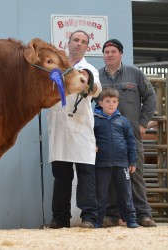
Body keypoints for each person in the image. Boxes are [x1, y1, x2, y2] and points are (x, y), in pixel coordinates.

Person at [44, 30, 102, 229]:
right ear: (68, 43)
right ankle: (59, 218)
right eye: (76, 40)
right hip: (59, 127)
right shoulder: (56, 68)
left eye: (83, 42)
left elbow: (96, 90)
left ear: (87, 47)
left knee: (86, 173)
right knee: (61, 175)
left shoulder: (89, 69)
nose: (79, 44)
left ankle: (89, 217)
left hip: (80, 127)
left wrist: (88, 83)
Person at [97, 39, 157, 227]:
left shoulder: (135, 73)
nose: (110, 54)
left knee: (135, 174)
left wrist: (143, 123)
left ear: (121, 54)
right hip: (106, 138)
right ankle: (112, 215)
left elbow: (150, 96)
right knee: (111, 176)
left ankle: (143, 214)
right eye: (106, 52)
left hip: (131, 135)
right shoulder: (97, 76)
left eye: (113, 51)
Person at [94, 87, 139, 228]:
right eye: (107, 101)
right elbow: (89, 138)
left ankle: (130, 220)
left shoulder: (124, 121)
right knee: (100, 194)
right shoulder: (94, 120)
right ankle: (97, 221)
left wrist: (132, 161)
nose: (111, 104)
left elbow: (131, 142)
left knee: (125, 193)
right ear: (101, 103)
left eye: (114, 101)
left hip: (122, 164)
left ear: (118, 103)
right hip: (101, 163)